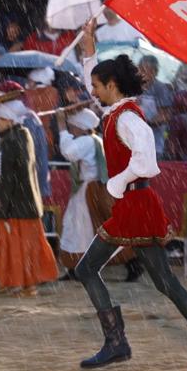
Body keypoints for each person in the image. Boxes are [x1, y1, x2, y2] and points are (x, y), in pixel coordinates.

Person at [73, 19, 187, 371]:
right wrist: (89, 47)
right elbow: (93, 82)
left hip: (134, 204)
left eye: (97, 86)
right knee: (164, 281)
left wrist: (117, 184)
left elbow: (147, 162)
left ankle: (118, 343)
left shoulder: (127, 120)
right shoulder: (117, 111)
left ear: (112, 86)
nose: (92, 92)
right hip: (136, 204)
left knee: (88, 269)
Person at [0, 86, 59, 297]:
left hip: (17, 202)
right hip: (22, 201)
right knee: (16, 245)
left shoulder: (14, 139)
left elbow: (7, 174)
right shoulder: (19, 135)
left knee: (19, 246)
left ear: (8, 119)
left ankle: (24, 284)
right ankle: (16, 281)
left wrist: (0, 203)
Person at [55, 107, 115, 277]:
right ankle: (76, 267)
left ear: (81, 127)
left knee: (80, 230)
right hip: (93, 189)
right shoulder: (96, 139)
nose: (71, 129)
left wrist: (61, 127)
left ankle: (77, 266)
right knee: (83, 229)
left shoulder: (87, 141)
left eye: (73, 126)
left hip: (89, 191)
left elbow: (68, 152)